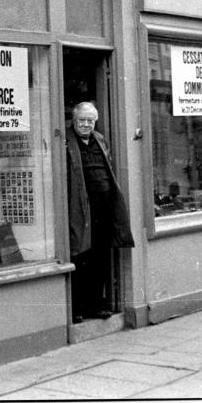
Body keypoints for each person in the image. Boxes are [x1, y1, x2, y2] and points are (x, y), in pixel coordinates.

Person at [66, 101, 134, 321]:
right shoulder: (65, 141)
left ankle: (96, 306)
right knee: (81, 255)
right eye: (81, 120)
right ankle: (77, 309)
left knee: (102, 256)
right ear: (73, 121)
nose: (86, 125)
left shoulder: (100, 139)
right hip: (80, 209)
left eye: (90, 121)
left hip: (104, 208)